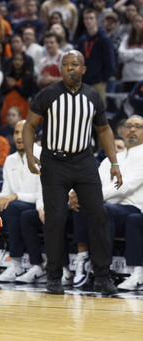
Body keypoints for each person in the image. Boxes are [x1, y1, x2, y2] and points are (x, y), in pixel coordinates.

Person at [23, 50, 121, 295]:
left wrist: (114, 163)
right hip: (54, 162)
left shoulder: (93, 96)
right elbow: (29, 125)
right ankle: (55, 275)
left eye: (74, 64)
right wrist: (29, 153)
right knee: (55, 218)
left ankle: (102, 277)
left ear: (83, 69)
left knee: (98, 214)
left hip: (84, 160)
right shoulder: (47, 94)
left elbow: (104, 131)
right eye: (65, 64)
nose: (69, 68)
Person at [70, 115, 143, 289]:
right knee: (82, 204)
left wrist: (90, 197)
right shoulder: (110, 158)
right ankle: (83, 257)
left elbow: (125, 185)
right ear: (122, 130)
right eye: (128, 125)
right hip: (109, 207)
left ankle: (102, 269)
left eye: (138, 126)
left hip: (133, 208)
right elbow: (95, 184)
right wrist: (79, 194)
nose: (132, 129)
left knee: (100, 208)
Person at [0, 120, 44, 283]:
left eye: (23, 132)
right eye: (16, 133)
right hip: (15, 204)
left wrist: (15, 196)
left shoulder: (43, 155)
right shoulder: (10, 159)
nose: (18, 137)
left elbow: (42, 194)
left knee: (14, 208)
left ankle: (17, 263)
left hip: (38, 206)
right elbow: (6, 194)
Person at [77, 9, 116, 101]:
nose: (88, 21)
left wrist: (103, 78)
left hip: (98, 81)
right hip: (83, 82)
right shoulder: (82, 40)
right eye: (86, 18)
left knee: (98, 111)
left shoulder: (104, 39)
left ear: (96, 21)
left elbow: (110, 61)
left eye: (91, 18)